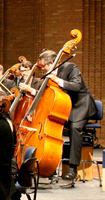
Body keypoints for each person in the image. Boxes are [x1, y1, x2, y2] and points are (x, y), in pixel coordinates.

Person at [37, 50, 97, 182]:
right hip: (64, 107)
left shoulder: (71, 67)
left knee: (75, 128)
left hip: (80, 105)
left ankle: (73, 168)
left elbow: (76, 86)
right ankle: (49, 165)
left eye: (44, 66)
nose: (43, 69)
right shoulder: (50, 74)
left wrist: (57, 79)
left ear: (52, 63)